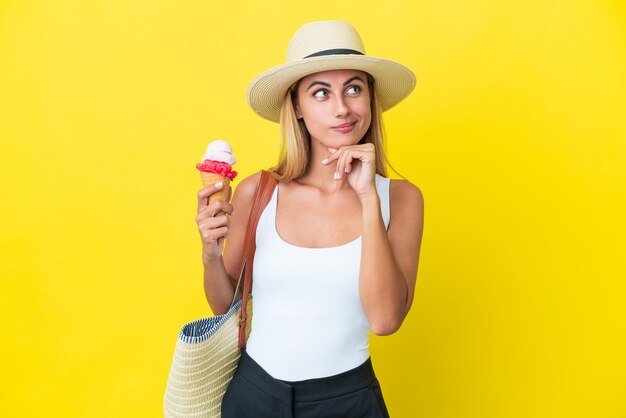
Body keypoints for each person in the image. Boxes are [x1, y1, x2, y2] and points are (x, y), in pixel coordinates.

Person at [195, 20, 424, 417]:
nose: (342, 108)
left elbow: (386, 320)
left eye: (354, 88)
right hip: (253, 396)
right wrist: (210, 254)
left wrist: (368, 196)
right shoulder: (258, 191)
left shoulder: (401, 199)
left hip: (348, 401)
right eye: (321, 93)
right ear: (297, 108)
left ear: (370, 99)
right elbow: (224, 307)